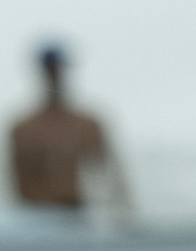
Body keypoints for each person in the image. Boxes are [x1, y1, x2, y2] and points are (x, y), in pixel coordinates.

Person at [8, 43, 131, 222]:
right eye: (50, 70)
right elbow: (21, 187)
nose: (55, 76)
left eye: (58, 70)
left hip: (85, 216)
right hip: (40, 219)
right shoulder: (23, 129)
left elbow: (112, 177)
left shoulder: (88, 125)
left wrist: (121, 212)